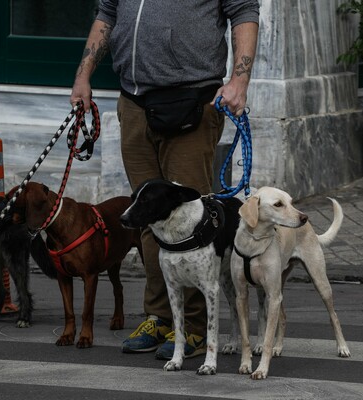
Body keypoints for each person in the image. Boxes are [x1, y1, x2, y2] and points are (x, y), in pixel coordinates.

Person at [70, 0, 259, 359]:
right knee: (146, 219)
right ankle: (159, 317)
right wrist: (83, 76)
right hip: (134, 102)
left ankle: (195, 327)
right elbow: (106, 13)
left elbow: (245, 11)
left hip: (192, 101)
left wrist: (240, 79)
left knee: (194, 222)